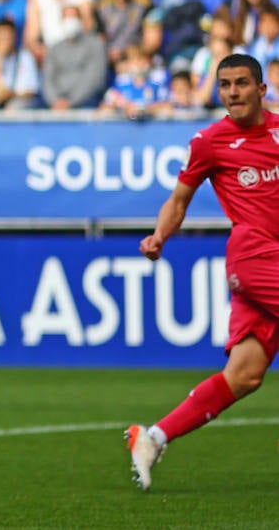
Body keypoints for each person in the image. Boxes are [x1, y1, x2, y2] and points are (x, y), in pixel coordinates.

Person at [127, 54, 279, 491]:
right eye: (225, 85)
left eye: (242, 83)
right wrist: (159, 236)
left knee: (245, 374)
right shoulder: (210, 142)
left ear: (261, 89)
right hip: (253, 256)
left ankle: (152, 437)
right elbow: (178, 201)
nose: (233, 92)